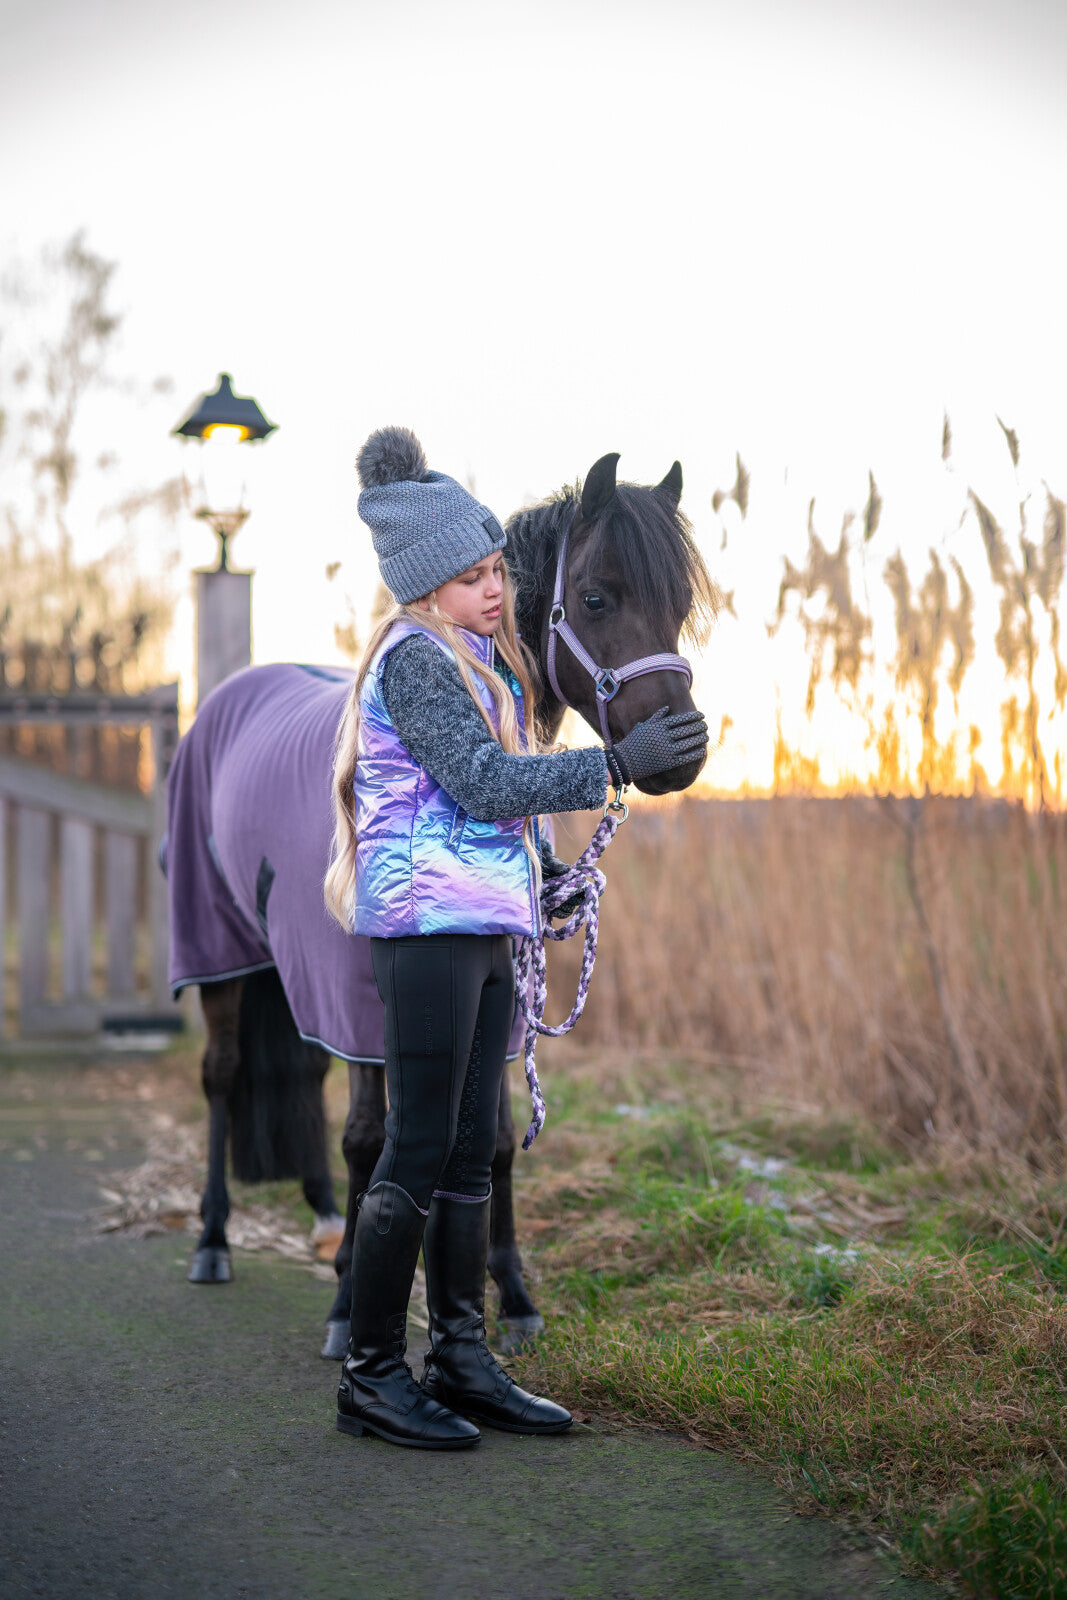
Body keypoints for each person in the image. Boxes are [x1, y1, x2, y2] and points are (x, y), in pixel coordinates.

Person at [324, 426, 707, 1450]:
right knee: (413, 1146)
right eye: (468, 577)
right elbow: (482, 785)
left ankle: (458, 1353)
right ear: (421, 590)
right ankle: (369, 1373)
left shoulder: (485, 671)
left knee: (466, 1150)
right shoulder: (414, 667)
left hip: (480, 919)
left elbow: (495, 820)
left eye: (496, 569)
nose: (494, 590)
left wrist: (547, 881)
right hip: (424, 925)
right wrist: (613, 763)